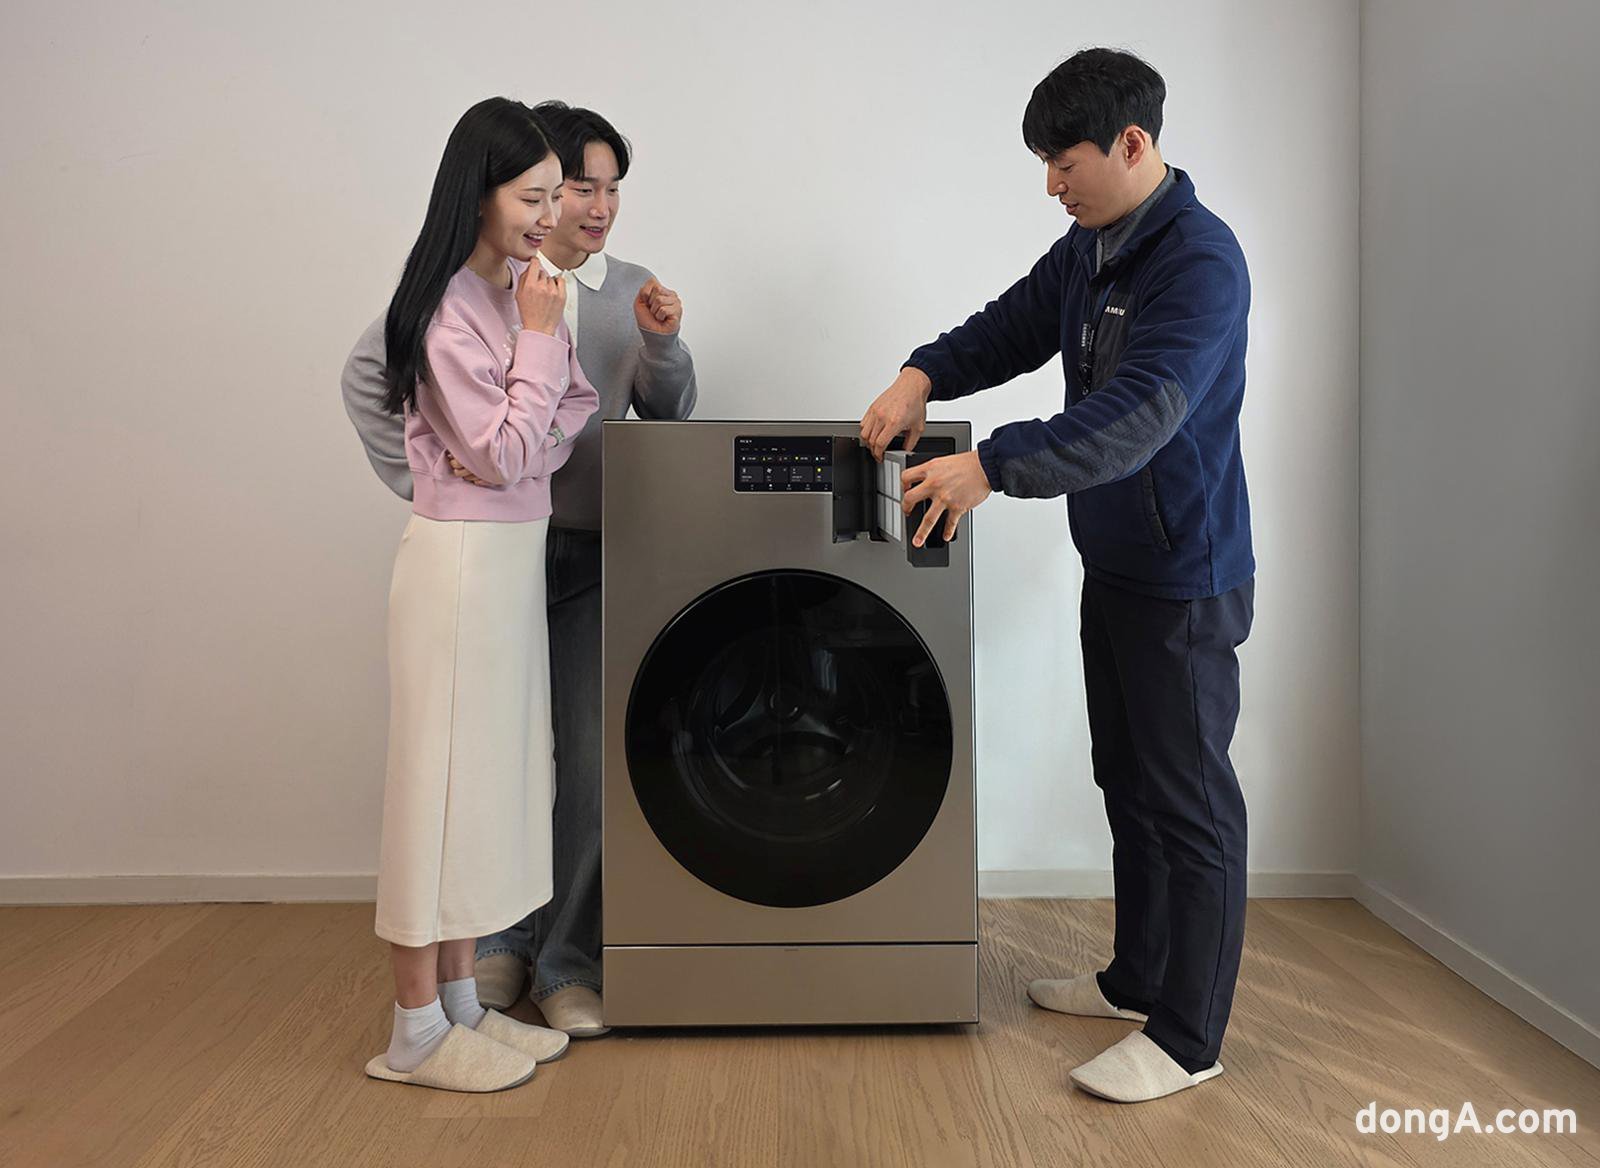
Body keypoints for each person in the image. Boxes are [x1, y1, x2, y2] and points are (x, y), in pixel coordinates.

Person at [859, 48, 1254, 1103]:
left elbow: (1139, 414)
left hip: (1185, 574)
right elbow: (1014, 325)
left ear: (1131, 143)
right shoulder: (1090, 246)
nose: (1050, 184)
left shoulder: (1199, 263)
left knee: (1190, 801)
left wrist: (993, 464)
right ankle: (1137, 979)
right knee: (1126, 777)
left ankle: (1188, 1038)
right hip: (1114, 559)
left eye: (1063, 161)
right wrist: (922, 371)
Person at [342, 101, 696, 1039]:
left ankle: (556, 965)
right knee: (465, 774)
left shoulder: (579, 293)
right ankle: (473, 976)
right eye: (566, 190)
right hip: (485, 553)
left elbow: (605, 411)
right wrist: (436, 473)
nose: (588, 208)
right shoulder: (473, 297)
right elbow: (415, 402)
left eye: (607, 190)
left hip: (569, 548)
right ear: (503, 192)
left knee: (557, 764)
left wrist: (648, 352)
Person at [362, 97, 599, 1093]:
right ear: (479, 194)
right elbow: (503, 452)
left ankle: (460, 1004)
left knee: (486, 790)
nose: (552, 216)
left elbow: (570, 412)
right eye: (532, 197)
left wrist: (519, 428)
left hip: (505, 561)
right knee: (437, 792)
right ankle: (414, 1031)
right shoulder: (441, 310)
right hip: (458, 564)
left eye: (557, 196)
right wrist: (530, 368)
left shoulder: (513, 293)